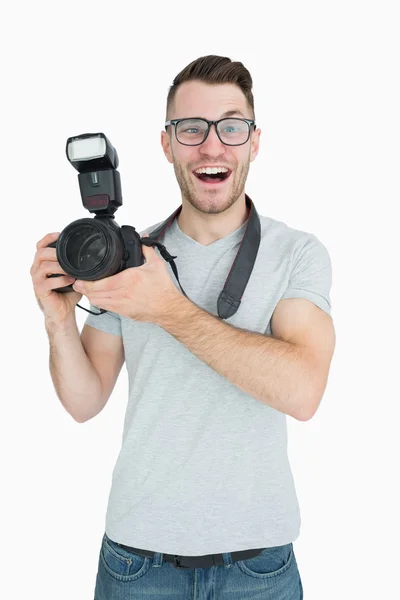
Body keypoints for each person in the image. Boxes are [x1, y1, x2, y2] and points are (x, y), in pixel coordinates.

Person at [30, 55, 336, 599]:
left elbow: (304, 390)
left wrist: (168, 308)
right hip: (136, 564)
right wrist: (56, 321)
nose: (212, 146)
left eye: (231, 126)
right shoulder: (126, 257)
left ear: (254, 142)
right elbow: (83, 401)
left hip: (258, 568)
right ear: (167, 144)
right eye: (191, 129)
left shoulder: (298, 254)